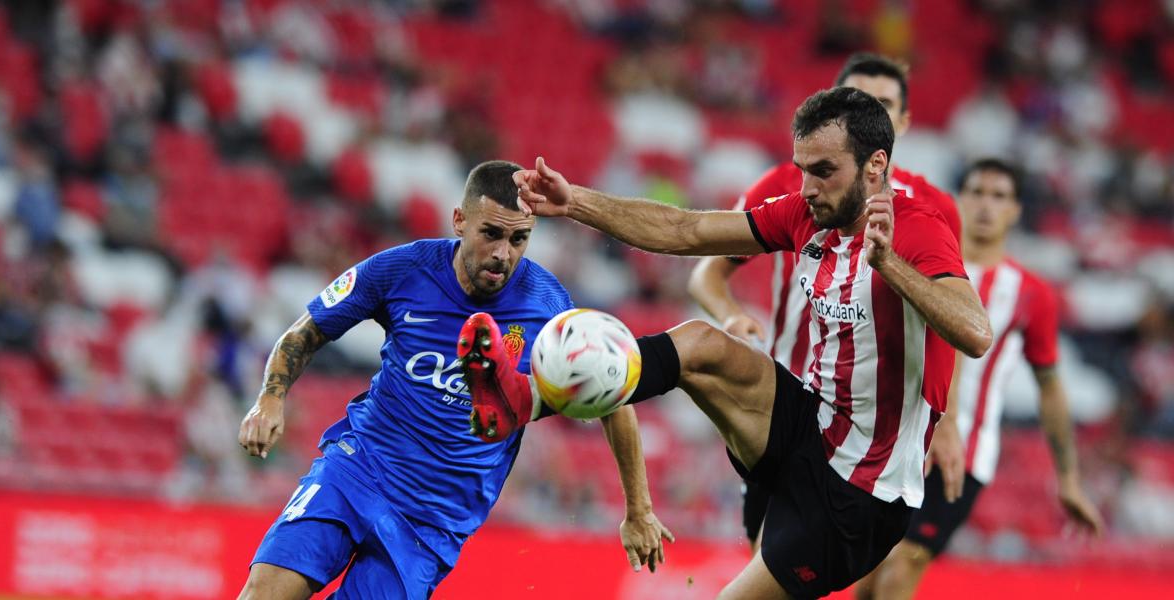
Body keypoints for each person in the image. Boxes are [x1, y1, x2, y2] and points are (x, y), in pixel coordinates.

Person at [467, 88, 992, 599]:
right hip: (810, 426)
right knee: (699, 343)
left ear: (875, 166)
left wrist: (889, 266)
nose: (807, 187)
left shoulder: (918, 229)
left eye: (824, 171)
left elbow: (975, 333)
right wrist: (575, 201)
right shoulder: (807, 215)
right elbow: (687, 231)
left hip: (860, 494)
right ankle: (524, 399)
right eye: (803, 169)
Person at [236, 160, 673, 599]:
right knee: (265, 592)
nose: (504, 254)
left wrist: (639, 509)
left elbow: (613, 399)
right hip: (357, 470)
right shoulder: (401, 269)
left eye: (519, 239)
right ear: (459, 221)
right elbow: (307, 330)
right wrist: (269, 400)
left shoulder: (549, 306)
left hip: (434, 521)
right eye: (492, 234)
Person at [687, 53, 964, 551]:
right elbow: (708, 270)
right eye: (856, 99)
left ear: (899, 122)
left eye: (882, 105)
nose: (868, 111)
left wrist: (948, 419)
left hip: (875, 428)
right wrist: (733, 316)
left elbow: (955, 321)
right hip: (789, 403)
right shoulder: (787, 187)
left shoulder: (933, 211)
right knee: (770, 556)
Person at [853, 159, 1105, 600]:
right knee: (866, 578)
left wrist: (1068, 478)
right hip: (892, 438)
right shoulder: (919, 259)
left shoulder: (1031, 293)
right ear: (960, 200)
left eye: (999, 196)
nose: (986, 205)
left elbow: (1050, 387)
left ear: (1016, 210)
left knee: (903, 566)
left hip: (964, 454)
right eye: (977, 192)